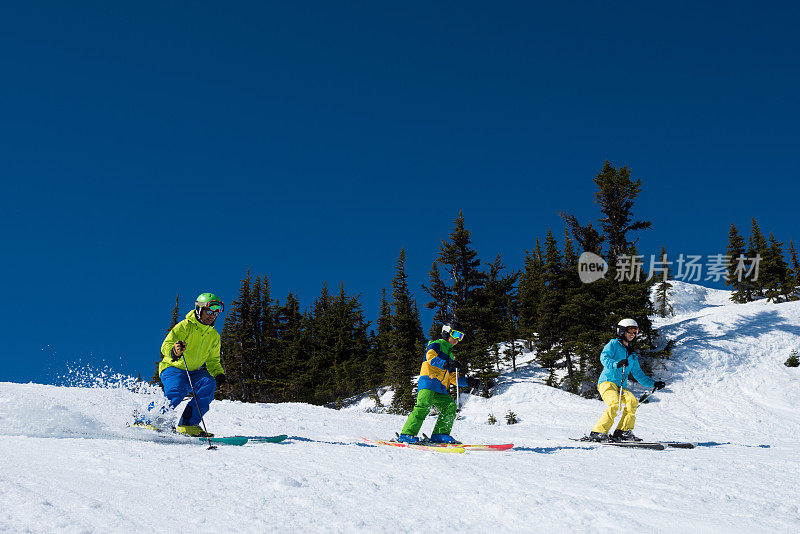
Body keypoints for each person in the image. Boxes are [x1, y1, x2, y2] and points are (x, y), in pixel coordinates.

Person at [138, 293, 227, 437]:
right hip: (173, 367)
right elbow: (166, 345)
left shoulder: (214, 336)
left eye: (217, 312)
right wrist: (174, 351)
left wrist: (218, 374)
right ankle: (147, 420)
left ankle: (188, 424)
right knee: (177, 391)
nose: (213, 315)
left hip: (193, 371)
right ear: (199, 310)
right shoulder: (185, 326)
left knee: (208, 382)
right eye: (209, 311)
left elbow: (212, 361)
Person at [397, 321, 477, 444]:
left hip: (440, 388)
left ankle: (439, 434)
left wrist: (468, 381)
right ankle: (407, 434)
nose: (457, 339)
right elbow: (431, 359)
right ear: (446, 332)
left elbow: (452, 377)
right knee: (423, 406)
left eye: (460, 337)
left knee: (450, 407)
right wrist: (446, 363)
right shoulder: (436, 345)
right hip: (428, 382)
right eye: (455, 334)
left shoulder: (450, 355)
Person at [588, 318, 666, 442]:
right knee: (614, 404)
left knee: (632, 401)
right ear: (622, 331)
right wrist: (616, 364)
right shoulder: (613, 344)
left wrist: (653, 383)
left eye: (635, 332)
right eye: (630, 330)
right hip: (607, 382)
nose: (632, 334)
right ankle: (598, 432)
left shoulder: (632, 355)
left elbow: (638, 374)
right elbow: (604, 357)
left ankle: (622, 432)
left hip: (621, 387)